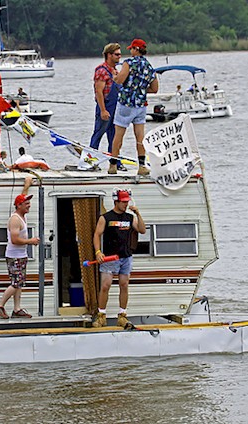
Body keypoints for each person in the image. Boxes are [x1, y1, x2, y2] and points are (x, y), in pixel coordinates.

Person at [92, 189, 146, 328]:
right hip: (110, 256)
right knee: (106, 285)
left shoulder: (129, 217)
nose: (126, 204)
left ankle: (122, 315)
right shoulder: (106, 217)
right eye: (123, 202)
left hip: (126, 256)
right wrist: (98, 252)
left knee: (124, 284)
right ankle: (101, 315)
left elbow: (142, 230)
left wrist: (138, 214)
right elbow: (97, 235)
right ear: (116, 201)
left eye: (127, 201)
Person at [108, 39, 158, 176]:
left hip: (126, 103)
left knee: (119, 135)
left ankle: (113, 165)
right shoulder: (149, 66)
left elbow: (120, 80)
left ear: (136, 49)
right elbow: (155, 89)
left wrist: (114, 76)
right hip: (141, 105)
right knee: (140, 137)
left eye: (131, 49)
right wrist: (141, 90)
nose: (130, 51)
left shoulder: (128, 63)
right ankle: (142, 166)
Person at [0, 176, 40, 319]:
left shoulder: (22, 216)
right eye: (26, 204)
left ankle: (17, 308)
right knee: (16, 283)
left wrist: (27, 185)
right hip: (14, 256)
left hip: (21, 256)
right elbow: (14, 240)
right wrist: (30, 241)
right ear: (19, 206)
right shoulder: (15, 219)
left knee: (20, 283)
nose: (29, 205)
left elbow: (23, 196)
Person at [89, 43, 126, 171]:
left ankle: (115, 163)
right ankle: (90, 162)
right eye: (116, 54)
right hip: (105, 107)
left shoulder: (116, 71)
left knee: (114, 137)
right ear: (108, 55)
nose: (119, 57)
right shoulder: (101, 71)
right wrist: (103, 110)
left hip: (116, 108)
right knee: (98, 134)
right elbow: (98, 92)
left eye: (120, 54)